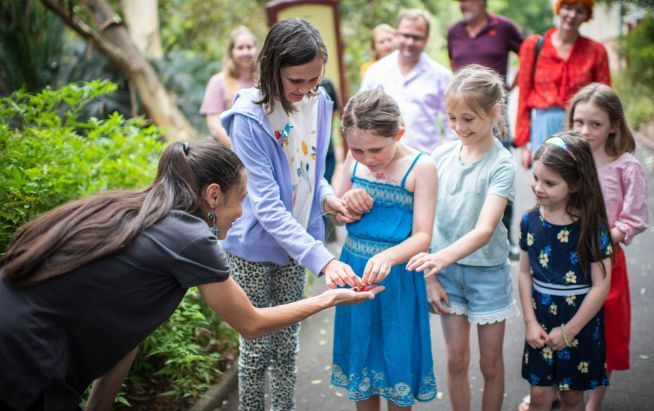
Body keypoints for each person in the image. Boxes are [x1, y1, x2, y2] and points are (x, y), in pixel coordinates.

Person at [0, 141, 381, 411]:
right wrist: (329, 298)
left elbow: (128, 329)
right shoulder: (189, 236)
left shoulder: (140, 209)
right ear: (213, 195)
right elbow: (250, 323)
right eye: (242, 197)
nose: (243, 212)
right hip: (26, 353)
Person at [219, 19, 363, 411]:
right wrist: (324, 260)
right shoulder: (249, 117)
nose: (305, 90)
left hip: (296, 246)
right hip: (252, 247)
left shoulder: (318, 103)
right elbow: (266, 205)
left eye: (314, 80)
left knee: (287, 345)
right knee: (255, 348)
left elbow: (309, 172)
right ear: (271, 67)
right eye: (296, 81)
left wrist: (328, 198)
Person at [406, 65, 518, 411]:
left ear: (494, 112)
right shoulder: (439, 156)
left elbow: (485, 230)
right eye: (452, 118)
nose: (459, 127)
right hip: (446, 278)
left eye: (468, 119)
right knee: (455, 361)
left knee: (490, 364)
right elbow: (420, 221)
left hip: (487, 275)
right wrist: (431, 277)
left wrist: (440, 258)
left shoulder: (502, 164)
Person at [330, 88, 439, 409]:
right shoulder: (354, 159)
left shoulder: (421, 167)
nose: (367, 159)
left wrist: (388, 256)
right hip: (354, 271)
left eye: (376, 149)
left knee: (395, 358)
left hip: (398, 278)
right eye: (358, 150)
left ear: (399, 133)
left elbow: (423, 236)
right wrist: (345, 204)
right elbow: (336, 217)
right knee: (362, 360)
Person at [567, 83, 649, 410]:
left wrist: (600, 238)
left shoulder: (627, 166)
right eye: (578, 122)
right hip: (564, 257)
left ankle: (594, 401)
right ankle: (561, 389)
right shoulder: (567, 158)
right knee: (563, 325)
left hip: (604, 260)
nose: (585, 131)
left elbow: (634, 218)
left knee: (606, 333)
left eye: (595, 124)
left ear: (614, 124)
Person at [518, 133, 613, 411]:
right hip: (541, 319)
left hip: (580, 323)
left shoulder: (592, 227)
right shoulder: (529, 221)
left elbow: (601, 286)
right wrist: (530, 322)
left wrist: (570, 331)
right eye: (536, 178)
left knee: (572, 396)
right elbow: (524, 273)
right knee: (539, 393)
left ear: (576, 184)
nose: (538, 187)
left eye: (550, 183)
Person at [447, 0, 525, 261]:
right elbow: (452, 66)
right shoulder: (454, 31)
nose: (462, 4)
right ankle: (465, 237)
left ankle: (506, 237)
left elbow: (528, 57)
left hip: (493, 115)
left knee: (498, 174)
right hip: (465, 116)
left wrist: (510, 87)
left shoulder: (504, 28)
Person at [514, 0, 611, 157]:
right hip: (544, 126)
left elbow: (605, 101)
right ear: (558, 9)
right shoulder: (533, 46)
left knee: (579, 178)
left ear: (587, 16)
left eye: (580, 11)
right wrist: (524, 144)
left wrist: (605, 142)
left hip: (581, 128)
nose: (572, 15)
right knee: (548, 177)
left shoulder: (596, 51)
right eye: (567, 8)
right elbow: (523, 97)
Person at [360, 9, 455, 154]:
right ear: (397, 34)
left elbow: (453, 120)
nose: (410, 42)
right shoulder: (375, 72)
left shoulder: (441, 76)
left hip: (425, 160)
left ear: (427, 39)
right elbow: (361, 114)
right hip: (382, 163)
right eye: (406, 35)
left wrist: (445, 155)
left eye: (417, 37)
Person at [200, 26, 258, 147]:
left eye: (249, 47)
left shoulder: (265, 80)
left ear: (256, 50)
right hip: (232, 152)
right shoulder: (218, 82)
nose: (246, 52)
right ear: (231, 52)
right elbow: (213, 122)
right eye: (240, 48)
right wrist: (237, 146)